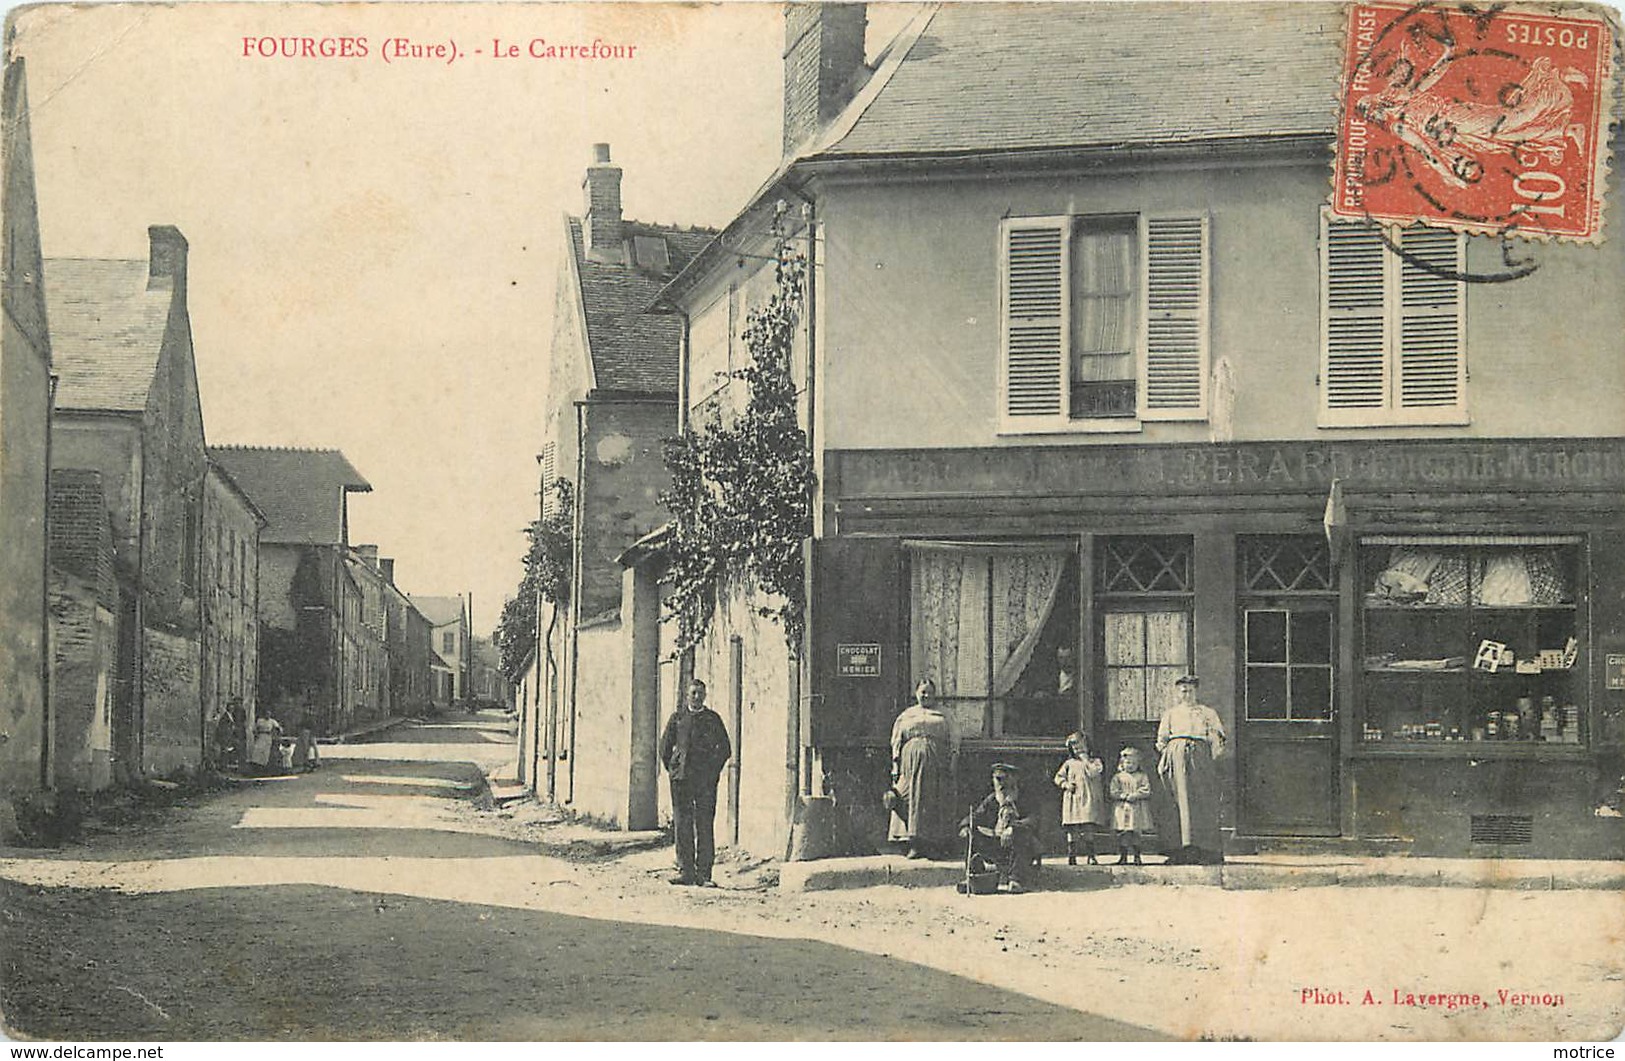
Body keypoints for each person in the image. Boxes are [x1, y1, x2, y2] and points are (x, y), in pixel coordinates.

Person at [659, 679, 732, 887]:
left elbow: (725, 749)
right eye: (693, 693)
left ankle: (704, 874)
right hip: (681, 781)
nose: (697, 697)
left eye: (700, 693)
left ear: (705, 695)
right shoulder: (678, 718)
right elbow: (665, 748)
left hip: (705, 782)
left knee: (704, 824)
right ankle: (685, 871)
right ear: (687, 695)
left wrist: (712, 772)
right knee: (682, 824)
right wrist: (673, 770)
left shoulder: (712, 719)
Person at [1156, 673, 1227, 865]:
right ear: (1178, 693)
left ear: (1197, 691)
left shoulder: (1207, 712)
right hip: (1176, 756)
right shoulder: (1171, 714)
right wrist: (1173, 754)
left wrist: (1206, 757)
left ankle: (1206, 850)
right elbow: (1161, 740)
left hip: (1200, 756)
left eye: (1190, 690)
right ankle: (1179, 850)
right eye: (1183, 691)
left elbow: (1217, 738)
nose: (1187, 694)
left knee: (1202, 800)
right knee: (1177, 800)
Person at [886, 678, 957, 859]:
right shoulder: (907, 715)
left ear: (934, 695)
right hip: (909, 765)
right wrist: (895, 765)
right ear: (916, 693)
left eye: (929, 692)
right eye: (922, 692)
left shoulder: (944, 714)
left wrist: (953, 762)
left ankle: (933, 845)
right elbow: (896, 741)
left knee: (933, 800)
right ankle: (913, 843)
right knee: (907, 797)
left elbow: (955, 740)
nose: (926, 695)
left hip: (937, 763)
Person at [959, 763, 1039, 893]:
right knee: (970, 834)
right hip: (996, 843)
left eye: (1004, 779)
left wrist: (1013, 828)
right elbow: (976, 815)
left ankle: (1016, 879)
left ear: (1014, 779)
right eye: (997, 779)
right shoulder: (992, 800)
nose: (1001, 784)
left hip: (1020, 845)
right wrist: (966, 825)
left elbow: (1034, 820)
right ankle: (974, 876)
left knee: (1022, 835)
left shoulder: (1025, 798)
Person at [1053, 730, 1107, 865]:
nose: (1078, 750)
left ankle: (1091, 855)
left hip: (1088, 799)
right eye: (1075, 748)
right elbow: (1058, 777)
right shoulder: (1069, 763)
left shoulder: (1095, 762)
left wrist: (1085, 760)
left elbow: (1094, 773)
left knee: (1088, 827)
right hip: (1073, 801)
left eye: (1081, 747)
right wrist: (1065, 784)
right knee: (1073, 829)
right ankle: (1072, 855)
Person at [1109, 746, 1154, 865]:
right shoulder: (1118, 777)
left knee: (1135, 833)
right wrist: (1122, 795)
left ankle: (1137, 856)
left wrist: (1136, 795)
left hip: (1136, 809)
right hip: (1123, 808)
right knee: (1124, 833)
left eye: (1134, 763)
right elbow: (1113, 791)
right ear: (1122, 763)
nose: (1130, 765)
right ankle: (1123, 856)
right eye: (1128, 762)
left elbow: (1146, 789)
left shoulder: (1142, 776)